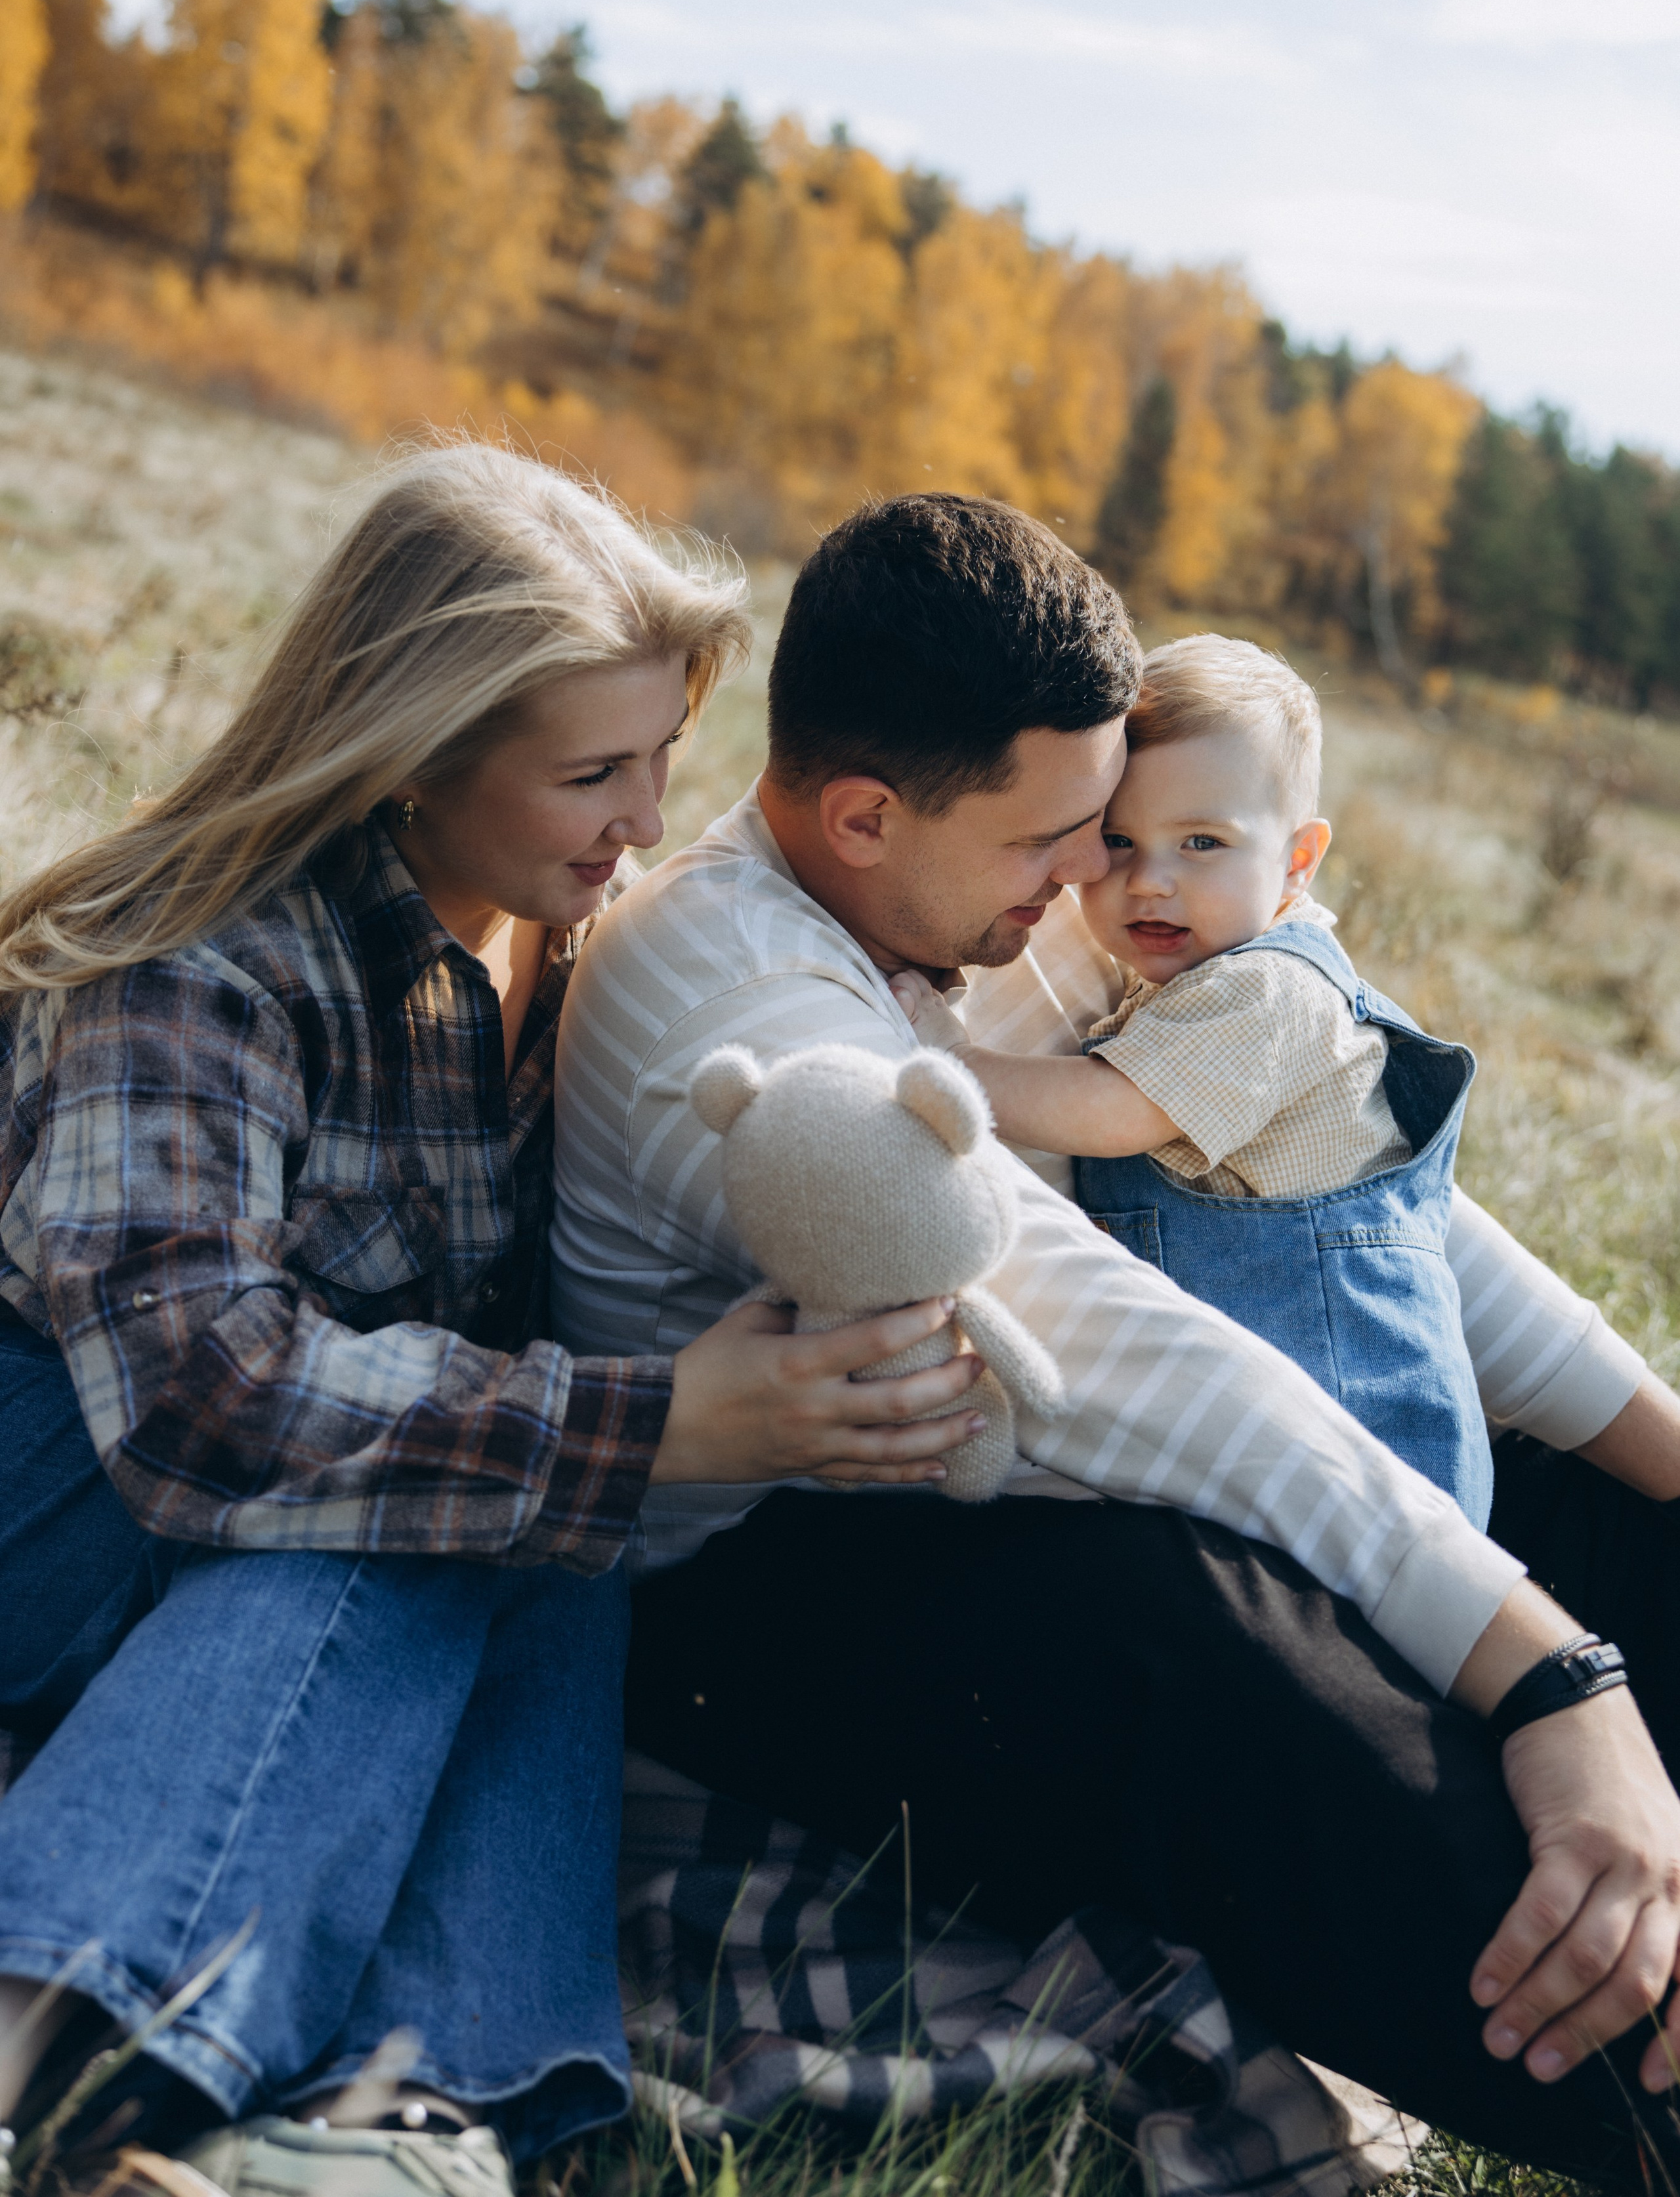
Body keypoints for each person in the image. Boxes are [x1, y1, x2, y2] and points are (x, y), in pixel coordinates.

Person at [551, 492, 1680, 2189]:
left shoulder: (954, 915)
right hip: (772, 1594)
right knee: (1221, 1643)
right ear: (865, 815)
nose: (1098, 875)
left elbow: (1336, 1189)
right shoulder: (735, 1004)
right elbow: (1112, 1354)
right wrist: (1549, 1679)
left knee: (1565, 1499)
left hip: (1007, 1481)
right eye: (1055, 839)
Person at [0, 445, 980, 2197]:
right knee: (450, 1484)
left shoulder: (556, 956)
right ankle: (43, 2043)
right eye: (591, 772)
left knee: (537, 1516)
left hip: (227, 1560)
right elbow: (204, 1398)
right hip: (53, 1507)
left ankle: (405, 2135)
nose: (646, 816)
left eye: (666, 756)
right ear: (412, 761)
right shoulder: (200, 965)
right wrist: (661, 1423)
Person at [890, 631, 1492, 1524]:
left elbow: (1113, 1110)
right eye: (1120, 840)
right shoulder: (1192, 983)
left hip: (1367, 1454)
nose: (1150, 882)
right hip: (1267, 1451)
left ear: (1297, 861)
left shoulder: (1269, 992)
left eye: (1202, 842)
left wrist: (946, 1058)